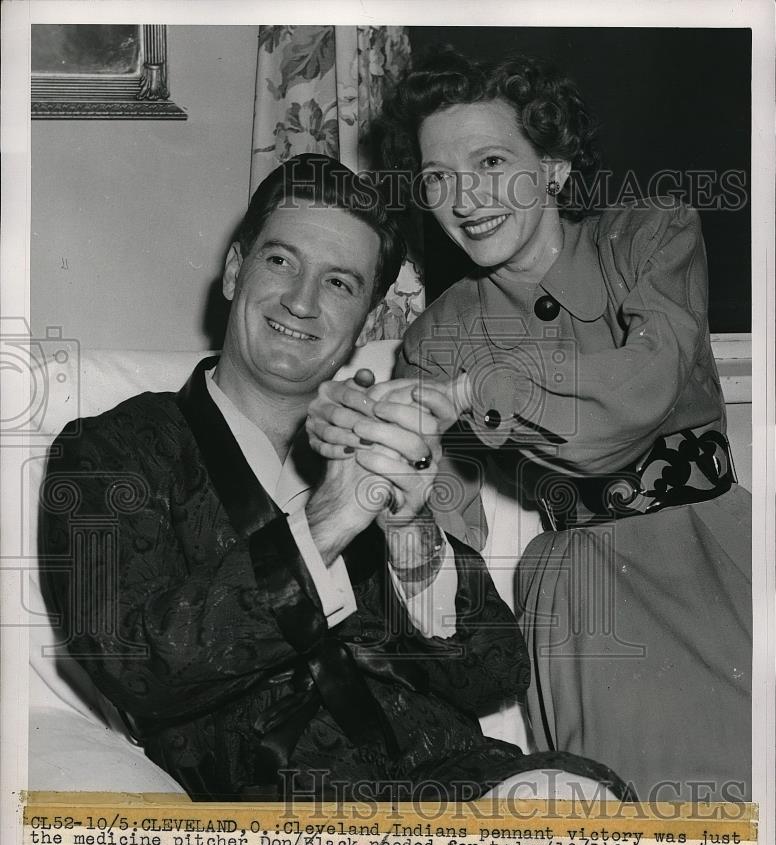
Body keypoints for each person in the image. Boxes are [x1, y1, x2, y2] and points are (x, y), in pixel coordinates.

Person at [39, 153, 628, 803]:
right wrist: (328, 521)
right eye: (281, 261)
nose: (301, 301)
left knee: (587, 805)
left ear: (367, 323)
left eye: (340, 283)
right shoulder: (111, 451)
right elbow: (132, 665)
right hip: (287, 815)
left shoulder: (379, 442)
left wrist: (410, 534)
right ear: (235, 270)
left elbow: (495, 675)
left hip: (461, 787)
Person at [306, 51, 752, 802]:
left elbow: (642, 387)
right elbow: (449, 545)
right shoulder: (436, 336)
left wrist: (476, 388)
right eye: (437, 177)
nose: (464, 198)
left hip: (721, 558)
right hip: (586, 604)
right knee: (653, 826)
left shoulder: (650, 234)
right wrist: (369, 452)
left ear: (553, 167)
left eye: (490, 162)